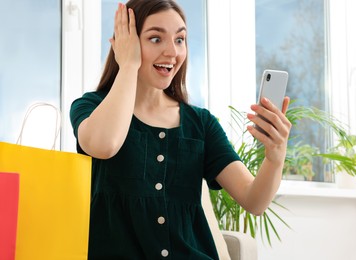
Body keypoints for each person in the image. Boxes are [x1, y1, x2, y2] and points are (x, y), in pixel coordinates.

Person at [70, 0, 291, 259]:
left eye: (180, 40)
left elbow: (255, 201)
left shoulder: (201, 123)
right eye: (155, 39)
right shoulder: (91, 107)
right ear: (125, 43)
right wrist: (128, 65)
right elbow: (103, 145)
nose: (172, 52)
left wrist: (275, 158)